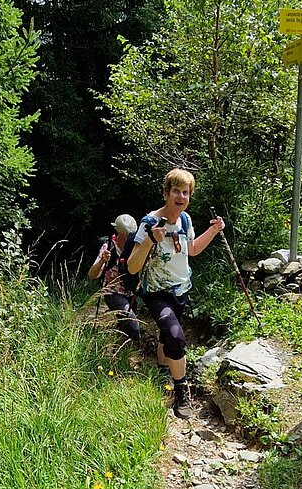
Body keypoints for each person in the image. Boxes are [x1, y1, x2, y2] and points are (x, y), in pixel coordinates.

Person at [127, 168, 225, 420]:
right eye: (176, 191)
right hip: (157, 291)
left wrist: (213, 231)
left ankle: (161, 371)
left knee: (166, 334)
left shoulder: (185, 220)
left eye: (186, 192)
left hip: (182, 288)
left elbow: (191, 250)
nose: (181, 196)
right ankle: (182, 389)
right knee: (175, 335)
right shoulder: (150, 222)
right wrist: (150, 239)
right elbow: (132, 266)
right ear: (166, 193)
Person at [88, 214, 140, 341]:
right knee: (133, 325)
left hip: (131, 291)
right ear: (118, 233)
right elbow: (91, 275)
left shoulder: (136, 247)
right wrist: (102, 261)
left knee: (125, 324)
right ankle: (136, 348)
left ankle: (121, 350)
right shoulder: (108, 247)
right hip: (112, 292)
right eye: (125, 234)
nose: (129, 237)